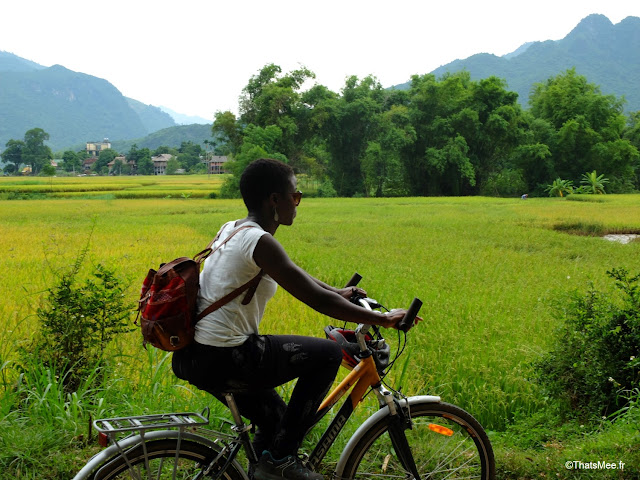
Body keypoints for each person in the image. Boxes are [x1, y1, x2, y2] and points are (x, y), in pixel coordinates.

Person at [173, 158, 412, 480]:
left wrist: (338, 291)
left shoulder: (233, 229)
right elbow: (314, 298)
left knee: (275, 422)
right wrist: (383, 320)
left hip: (197, 355)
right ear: (275, 199)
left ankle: (266, 467)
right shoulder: (260, 241)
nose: (297, 203)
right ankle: (281, 461)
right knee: (327, 354)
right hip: (227, 355)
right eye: (295, 195)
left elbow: (293, 273)